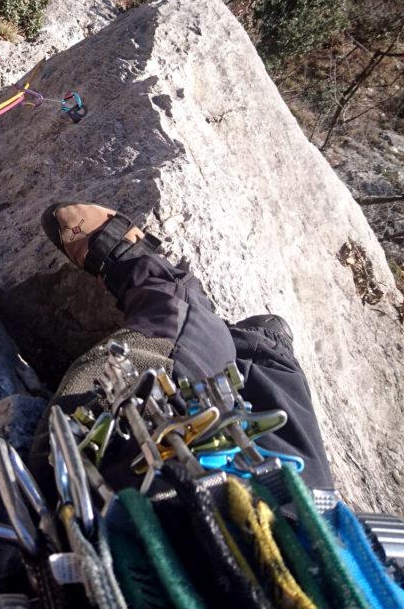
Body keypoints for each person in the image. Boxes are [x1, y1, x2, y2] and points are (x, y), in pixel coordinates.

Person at [37, 200, 336, 496]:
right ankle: (265, 354)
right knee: (299, 469)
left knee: (165, 370)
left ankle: (163, 286)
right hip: (305, 517)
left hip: (120, 489)